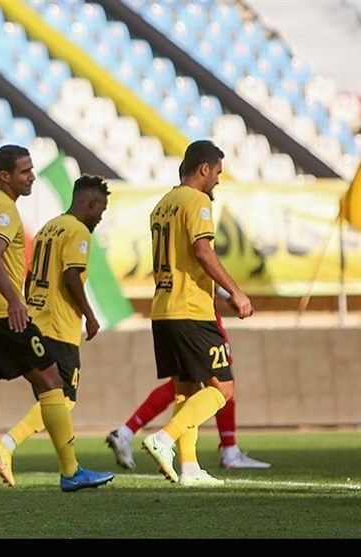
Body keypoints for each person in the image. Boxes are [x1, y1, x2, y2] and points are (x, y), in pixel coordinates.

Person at [0, 145, 115, 495]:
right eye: (25, 171)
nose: (31, 176)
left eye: (31, 170)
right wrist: (15, 300)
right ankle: (71, 470)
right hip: (2, 313)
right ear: (5, 175)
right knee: (52, 382)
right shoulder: (4, 209)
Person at [0, 174, 112, 487]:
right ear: (91, 202)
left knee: (52, 400)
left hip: (38, 322)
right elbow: (71, 278)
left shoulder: (47, 229)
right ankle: (9, 443)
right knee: (63, 399)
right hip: (59, 326)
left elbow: (30, 277)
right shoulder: (78, 231)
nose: (101, 216)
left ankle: (70, 472)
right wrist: (90, 317)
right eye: (101, 209)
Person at [141, 139, 254, 487]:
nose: (218, 180)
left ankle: (189, 468)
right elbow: (202, 251)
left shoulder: (162, 205)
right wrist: (235, 291)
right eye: (217, 172)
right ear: (204, 169)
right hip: (191, 308)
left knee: (186, 390)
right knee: (223, 388)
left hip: (163, 309)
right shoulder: (197, 200)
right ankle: (164, 438)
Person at [105, 291, 270, 471]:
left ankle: (186, 464)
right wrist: (232, 293)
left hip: (166, 310)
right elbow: (204, 262)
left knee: (184, 385)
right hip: (196, 311)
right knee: (222, 386)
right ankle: (170, 440)